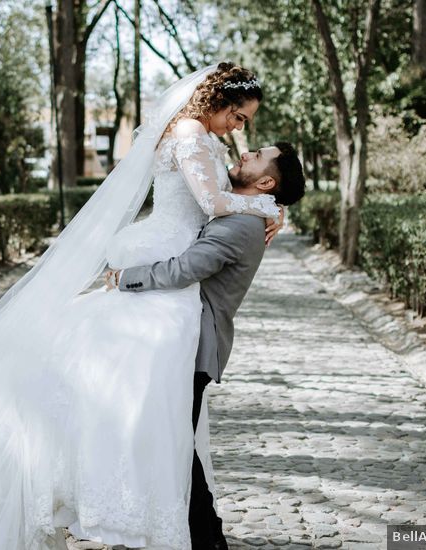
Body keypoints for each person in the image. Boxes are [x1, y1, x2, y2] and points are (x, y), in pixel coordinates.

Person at [0, 62, 301, 550]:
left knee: (154, 414)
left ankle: (157, 516)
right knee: (134, 408)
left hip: (172, 286)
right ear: (219, 102)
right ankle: (125, 508)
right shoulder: (193, 133)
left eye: (246, 125)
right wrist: (267, 207)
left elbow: (218, 209)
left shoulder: (210, 141)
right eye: (239, 117)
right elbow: (215, 205)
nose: (241, 129)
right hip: (161, 275)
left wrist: (269, 206)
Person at [106, 142, 307, 549]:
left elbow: (185, 269)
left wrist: (124, 277)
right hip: (181, 339)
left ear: (266, 181)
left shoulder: (240, 226)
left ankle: (208, 537)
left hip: (194, 344)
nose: (246, 152)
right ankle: (197, 531)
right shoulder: (243, 211)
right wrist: (273, 209)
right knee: (175, 439)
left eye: (256, 156)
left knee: (179, 444)